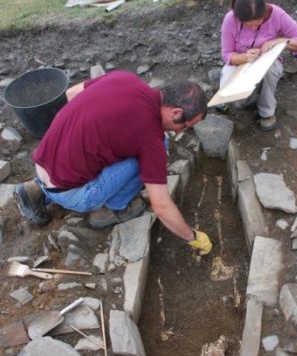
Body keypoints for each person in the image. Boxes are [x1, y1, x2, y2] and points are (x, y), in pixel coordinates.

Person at [14, 70, 212, 255]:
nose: (180, 131)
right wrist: (192, 237)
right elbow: (161, 206)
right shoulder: (151, 139)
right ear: (176, 112)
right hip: (72, 194)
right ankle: (115, 207)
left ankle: (38, 189)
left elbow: (72, 94)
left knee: (132, 144)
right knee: (150, 155)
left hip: (43, 163)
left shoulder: (124, 78)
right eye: (184, 126)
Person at [220, 0, 297, 131]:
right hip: (241, 63)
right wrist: (245, 57)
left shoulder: (276, 14)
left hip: (269, 62)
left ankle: (266, 112)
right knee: (238, 102)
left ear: (264, 12)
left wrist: (281, 41)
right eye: (248, 25)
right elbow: (227, 55)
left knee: (272, 70)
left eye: (258, 22)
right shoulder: (230, 19)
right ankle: (250, 99)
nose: (254, 27)